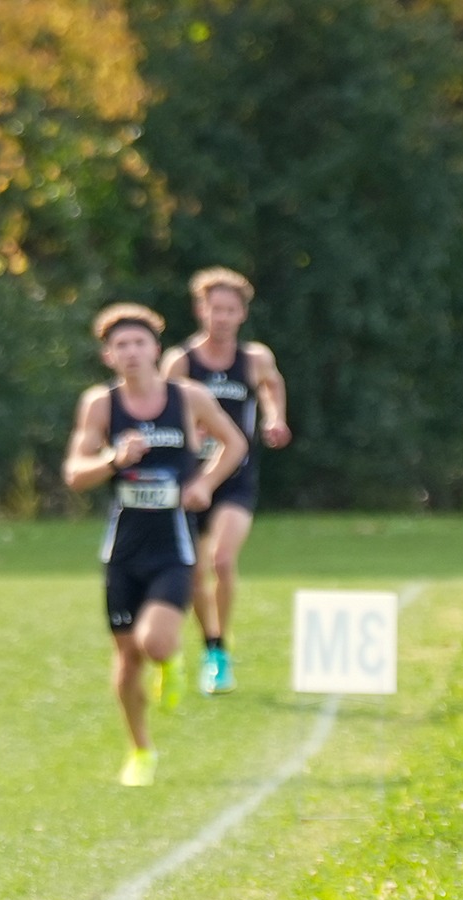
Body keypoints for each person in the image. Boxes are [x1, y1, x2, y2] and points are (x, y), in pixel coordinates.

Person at [63, 303, 246, 786]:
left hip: (173, 546)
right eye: (120, 345)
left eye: (139, 342)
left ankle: (173, 658)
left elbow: (235, 443)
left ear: (155, 350)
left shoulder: (186, 397)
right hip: (123, 550)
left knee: (154, 641)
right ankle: (140, 751)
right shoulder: (100, 405)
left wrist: (205, 483)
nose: (131, 351)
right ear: (108, 356)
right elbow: (75, 474)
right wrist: (111, 459)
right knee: (125, 662)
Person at [159, 268, 290, 695]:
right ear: (201, 311)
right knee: (194, 571)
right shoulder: (181, 361)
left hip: (235, 475)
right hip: (191, 478)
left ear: (242, 314)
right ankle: (210, 644)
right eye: (215, 309)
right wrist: (187, 432)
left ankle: (222, 649)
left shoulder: (254, 359)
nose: (221, 318)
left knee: (222, 561)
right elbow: (163, 406)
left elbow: (271, 387)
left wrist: (274, 419)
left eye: (230, 310)